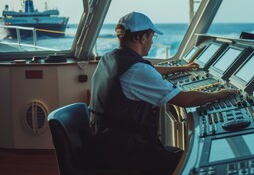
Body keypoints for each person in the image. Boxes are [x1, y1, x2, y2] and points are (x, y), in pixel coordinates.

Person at [89, 11, 238, 174]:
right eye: (152, 37)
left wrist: (181, 68)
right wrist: (219, 94)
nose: (152, 42)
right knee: (188, 163)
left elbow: (149, 71)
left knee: (176, 154)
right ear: (142, 37)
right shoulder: (137, 70)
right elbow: (183, 99)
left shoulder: (111, 58)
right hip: (122, 152)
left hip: (103, 141)